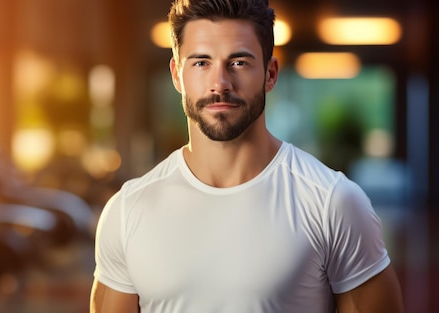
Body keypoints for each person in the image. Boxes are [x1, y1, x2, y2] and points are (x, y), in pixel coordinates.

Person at [89, 0, 405, 312]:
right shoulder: (128, 209)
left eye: (239, 62)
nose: (220, 83)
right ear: (176, 74)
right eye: (201, 62)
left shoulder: (333, 202)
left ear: (270, 74)